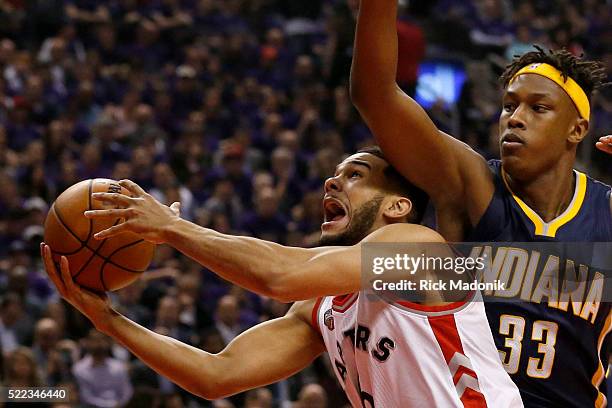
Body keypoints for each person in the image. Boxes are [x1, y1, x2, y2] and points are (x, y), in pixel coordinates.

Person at [42, 148, 523, 407]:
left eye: (355, 175)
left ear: (398, 207)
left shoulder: (417, 248)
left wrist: (173, 228)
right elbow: (218, 376)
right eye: (334, 174)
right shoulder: (321, 309)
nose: (332, 182)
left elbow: (282, 275)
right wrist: (109, 321)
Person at [348, 2, 611, 407]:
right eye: (509, 106)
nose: (515, 118)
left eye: (538, 108)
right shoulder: (473, 187)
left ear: (577, 129)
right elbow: (375, 93)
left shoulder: (604, 212)